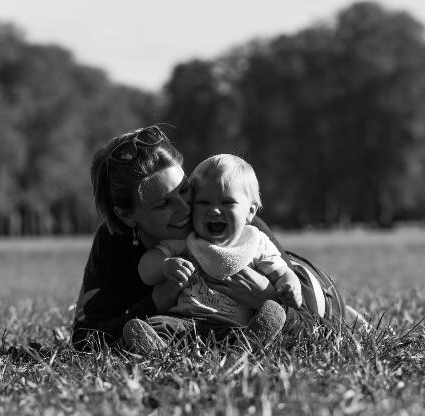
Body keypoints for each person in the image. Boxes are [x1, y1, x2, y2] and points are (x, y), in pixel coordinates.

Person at [71, 125, 350, 353]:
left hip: (316, 290)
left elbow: (320, 331)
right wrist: (153, 305)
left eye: (184, 190)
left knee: (338, 316)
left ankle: (352, 314)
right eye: (162, 205)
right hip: (192, 322)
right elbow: (85, 339)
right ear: (127, 216)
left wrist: (267, 296)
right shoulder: (113, 243)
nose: (184, 208)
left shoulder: (238, 225)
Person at [138, 154, 302, 333]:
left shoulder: (256, 243)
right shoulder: (187, 240)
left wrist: (290, 289)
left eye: (227, 202)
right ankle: (151, 341)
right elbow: (146, 270)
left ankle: (255, 340)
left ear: (250, 211)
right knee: (158, 324)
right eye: (203, 202)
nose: (214, 210)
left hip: (235, 327)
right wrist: (164, 266)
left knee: (266, 320)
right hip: (185, 322)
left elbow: (283, 273)